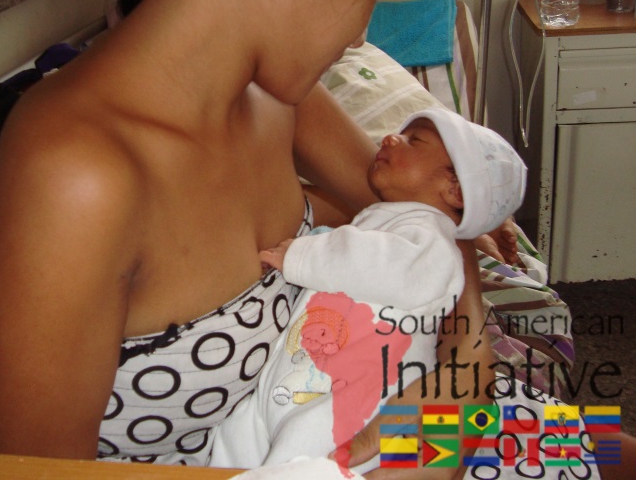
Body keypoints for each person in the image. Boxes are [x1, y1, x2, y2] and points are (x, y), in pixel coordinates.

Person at [0, 0, 497, 473]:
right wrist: (447, 419)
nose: (359, 36)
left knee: (587, 445)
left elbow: (429, 220)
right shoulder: (72, 178)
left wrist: (458, 381)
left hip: (345, 438)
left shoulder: (277, 97)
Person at [208, 107, 527, 474]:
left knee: (305, 459)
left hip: (353, 399)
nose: (390, 138)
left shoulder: (433, 238)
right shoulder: (389, 219)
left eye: (413, 141)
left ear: (455, 189)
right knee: (234, 441)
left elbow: (379, 263)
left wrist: (302, 254)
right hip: (296, 381)